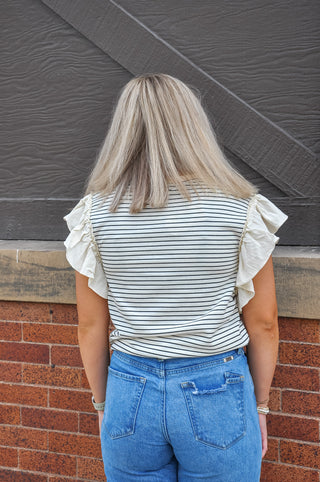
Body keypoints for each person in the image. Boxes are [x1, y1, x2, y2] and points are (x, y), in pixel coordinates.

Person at [63, 73, 288, 481]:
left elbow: (91, 325)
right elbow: (264, 324)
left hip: (129, 389)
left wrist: (102, 406)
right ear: (193, 125)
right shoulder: (240, 210)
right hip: (216, 387)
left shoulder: (93, 216)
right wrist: (260, 407)